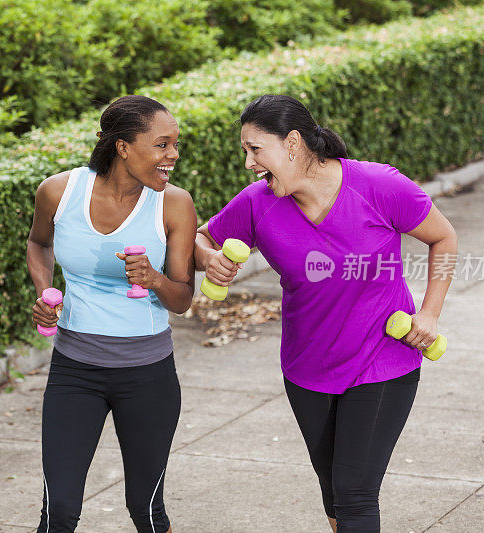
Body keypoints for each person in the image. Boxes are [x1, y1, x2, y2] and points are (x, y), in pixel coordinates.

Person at [194, 94, 458, 532]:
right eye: (245, 151)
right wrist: (210, 261)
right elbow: (202, 239)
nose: (248, 163)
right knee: (335, 497)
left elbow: (445, 239)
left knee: (355, 496)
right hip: (306, 369)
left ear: (293, 143)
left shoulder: (378, 186)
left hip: (382, 362)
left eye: (255, 150)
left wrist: (429, 314)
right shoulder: (258, 203)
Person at [26, 95, 197, 532]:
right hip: (74, 372)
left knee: (146, 508)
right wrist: (47, 292)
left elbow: (182, 299)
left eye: (175, 145)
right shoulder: (59, 192)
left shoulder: (174, 204)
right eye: (162, 145)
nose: (173, 155)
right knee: (58, 511)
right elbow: (38, 243)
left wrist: (154, 279)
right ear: (123, 147)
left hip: (148, 377)